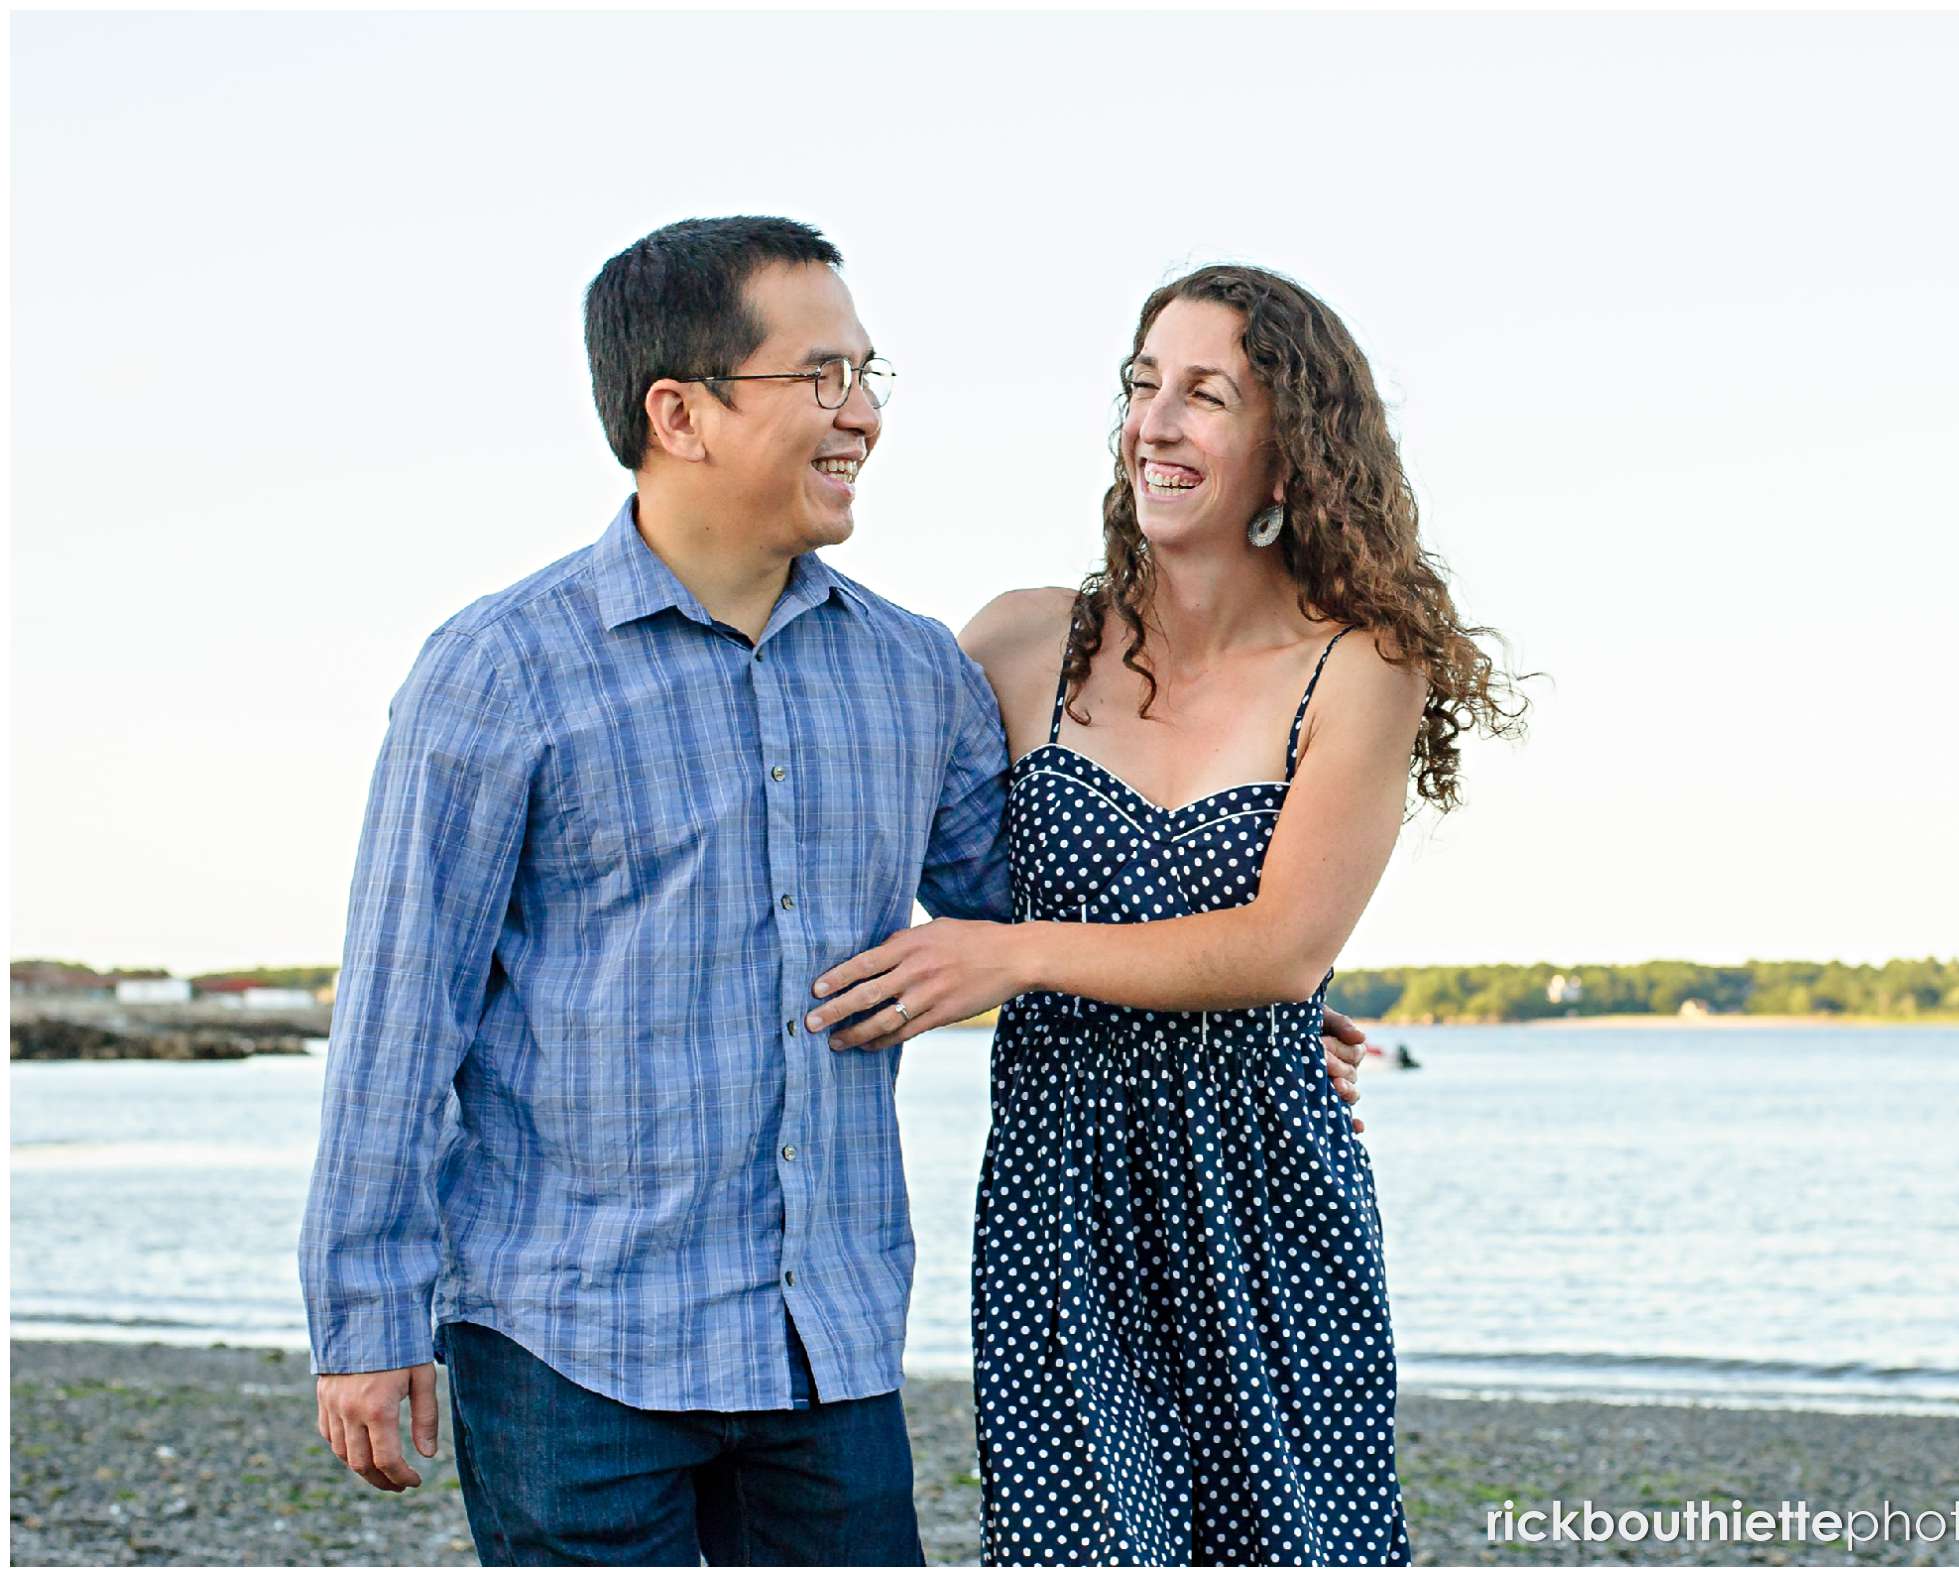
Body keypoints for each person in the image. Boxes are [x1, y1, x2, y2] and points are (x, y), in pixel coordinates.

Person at [297, 218, 1369, 1566]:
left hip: (829, 1347)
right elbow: (401, 1014)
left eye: (869, 376)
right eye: (820, 379)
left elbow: (1034, 923)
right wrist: (367, 1317)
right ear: (677, 411)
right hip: (569, 1342)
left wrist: (1255, 1007)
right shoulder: (500, 672)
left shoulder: (917, 674)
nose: (861, 415)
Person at [804, 265, 1528, 1563]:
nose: (1155, 422)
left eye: (1205, 394)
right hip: (1061, 1190)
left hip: (1269, 1186)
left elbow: (1282, 942)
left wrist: (1028, 956)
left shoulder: (1361, 661)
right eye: (1143, 386)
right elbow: (829, 828)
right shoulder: (1021, 647)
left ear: (1291, 449)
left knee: (1305, 1544)